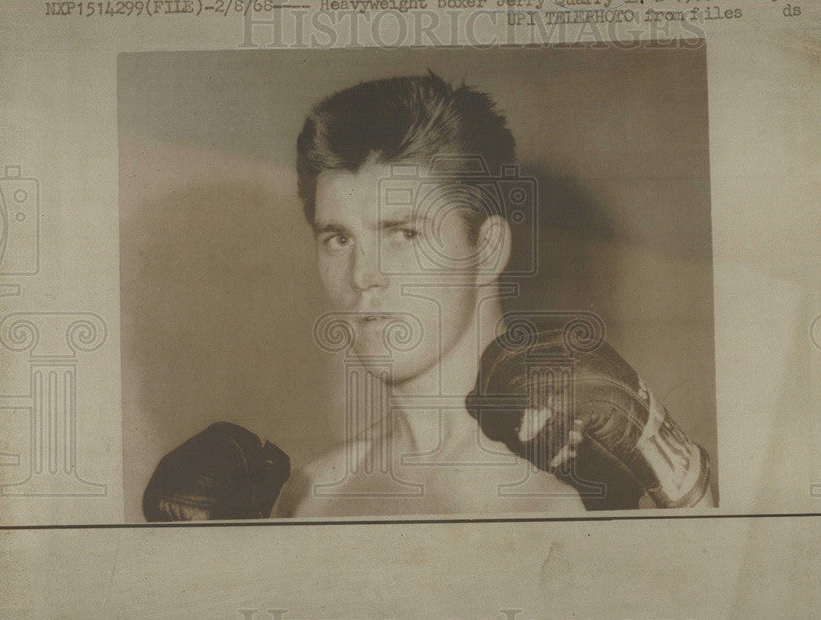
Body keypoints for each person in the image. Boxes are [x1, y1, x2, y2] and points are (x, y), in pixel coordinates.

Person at [143, 71, 711, 521]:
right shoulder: (310, 497)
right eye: (338, 238)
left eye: (403, 233)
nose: (364, 275)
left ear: (487, 248)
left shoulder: (601, 486)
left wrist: (683, 490)